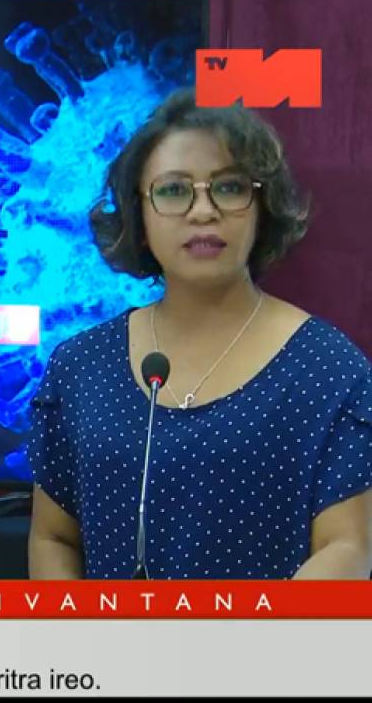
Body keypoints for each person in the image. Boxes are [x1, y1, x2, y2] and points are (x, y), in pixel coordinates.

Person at [27, 89, 372, 579]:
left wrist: (238, 632)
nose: (204, 211)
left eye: (229, 188)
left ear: (262, 208)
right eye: (174, 191)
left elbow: (349, 546)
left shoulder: (328, 369)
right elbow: (54, 537)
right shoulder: (82, 366)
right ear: (139, 216)